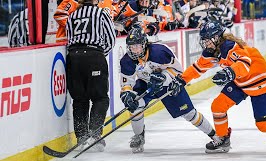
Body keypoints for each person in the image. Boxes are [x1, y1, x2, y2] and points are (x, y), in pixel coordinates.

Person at [169, 20, 266, 153]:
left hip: (259, 81)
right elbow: (197, 68)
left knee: (264, 125)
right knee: (218, 106)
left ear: (217, 37)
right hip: (240, 81)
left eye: (208, 40)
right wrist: (181, 80)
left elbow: (244, 64)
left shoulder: (230, 46)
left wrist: (230, 72)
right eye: (204, 40)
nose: (205, 43)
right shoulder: (212, 51)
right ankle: (223, 139)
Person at [120, 26, 216, 153]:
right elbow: (127, 82)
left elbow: (178, 71)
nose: (135, 50)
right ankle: (139, 136)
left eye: (137, 46)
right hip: (146, 84)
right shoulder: (127, 60)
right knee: (135, 105)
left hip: (169, 84)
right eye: (132, 47)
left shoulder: (160, 52)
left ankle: (215, 136)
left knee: (189, 114)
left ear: (144, 44)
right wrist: (126, 93)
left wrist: (164, 77)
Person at [66, 0, 116, 151]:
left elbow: (68, 40)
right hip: (94, 56)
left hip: (73, 58)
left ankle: (81, 138)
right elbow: (111, 40)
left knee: (79, 99)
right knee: (100, 97)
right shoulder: (101, 13)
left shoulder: (72, 15)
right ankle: (95, 135)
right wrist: (99, 54)